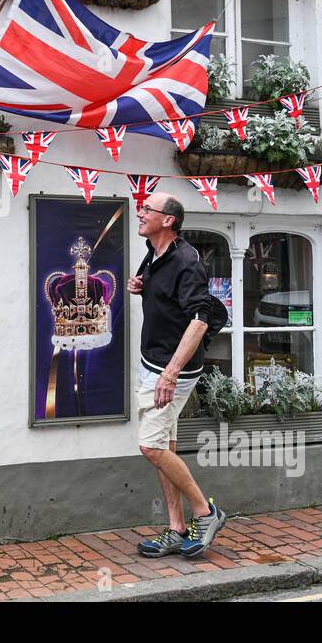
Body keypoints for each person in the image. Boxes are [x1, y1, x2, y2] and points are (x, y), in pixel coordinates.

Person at [127, 192, 227, 558]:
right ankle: (176, 527)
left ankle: (206, 512)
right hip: (152, 361)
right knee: (165, 446)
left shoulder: (187, 261)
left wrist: (170, 375)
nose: (141, 212)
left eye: (147, 210)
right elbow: (161, 296)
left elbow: (200, 319)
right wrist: (139, 286)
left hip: (171, 370)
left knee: (150, 445)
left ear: (168, 220)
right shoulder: (155, 253)